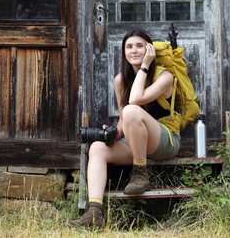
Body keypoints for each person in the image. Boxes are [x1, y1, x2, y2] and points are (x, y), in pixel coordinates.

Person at [66, 29, 181, 229]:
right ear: (124, 52)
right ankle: (94, 212)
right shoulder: (121, 80)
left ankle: (140, 174)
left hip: (165, 141)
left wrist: (145, 65)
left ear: (149, 49)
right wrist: (114, 133)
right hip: (137, 143)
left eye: (139, 46)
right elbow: (123, 119)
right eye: (129, 47)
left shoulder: (164, 76)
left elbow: (135, 101)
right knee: (97, 148)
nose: (134, 51)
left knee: (131, 109)